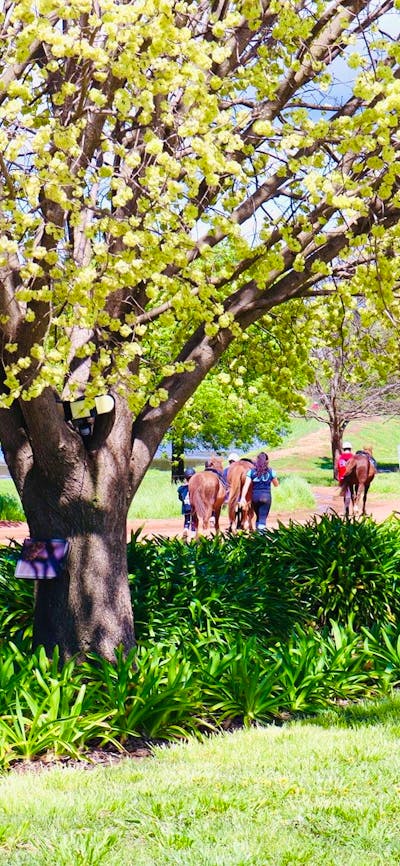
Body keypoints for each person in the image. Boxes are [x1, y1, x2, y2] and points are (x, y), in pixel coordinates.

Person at [239, 452, 279, 531]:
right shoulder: (271, 471)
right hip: (266, 497)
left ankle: (258, 535)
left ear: (257, 461)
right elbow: (276, 484)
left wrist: (243, 498)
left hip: (255, 497)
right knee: (262, 519)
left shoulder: (251, 472)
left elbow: (246, 486)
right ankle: (261, 536)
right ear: (267, 461)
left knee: (258, 517)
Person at [177, 467, 196, 538]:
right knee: (194, 519)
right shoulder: (195, 487)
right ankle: (193, 532)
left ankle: (186, 528)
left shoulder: (181, 488)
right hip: (193, 507)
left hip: (185, 506)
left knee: (187, 519)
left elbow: (180, 498)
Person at [337, 441, 354, 515]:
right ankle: (353, 508)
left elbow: (338, 468)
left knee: (346, 493)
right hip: (352, 477)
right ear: (350, 449)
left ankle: (346, 510)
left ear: (343, 449)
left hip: (343, 477)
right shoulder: (353, 457)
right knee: (351, 492)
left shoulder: (340, 458)